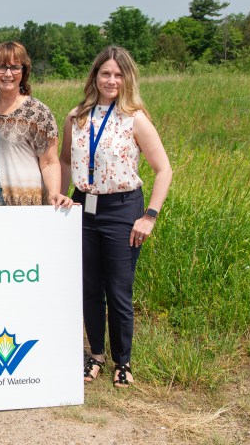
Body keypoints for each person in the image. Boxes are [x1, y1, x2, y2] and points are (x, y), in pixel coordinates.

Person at [59, 45, 172, 388]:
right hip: (83, 207)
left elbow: (163, 169)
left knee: (118, 289)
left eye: (118, 74)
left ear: (127, 79)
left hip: (122, 209)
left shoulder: (135, 117)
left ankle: (123, 361)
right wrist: (62, 193)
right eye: (105, 73)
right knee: (90, 287)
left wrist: (149, 216)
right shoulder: (76, 116)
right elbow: (65, 160)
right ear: (94, 76)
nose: (111, 80)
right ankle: (95, 355)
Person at [0, 41, 72, 208]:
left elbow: (49, 162)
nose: (8, 74)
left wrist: (54, 195)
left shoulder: (37, 111)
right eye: (1, 67)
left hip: (26, 209)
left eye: (15, 67)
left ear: (24, 72)